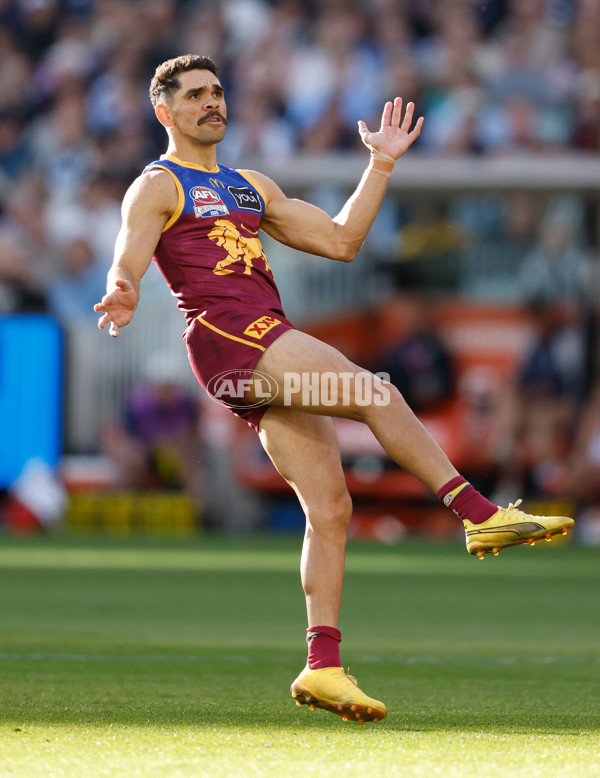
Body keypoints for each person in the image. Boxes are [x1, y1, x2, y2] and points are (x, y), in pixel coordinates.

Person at [94, 54, 574, 725]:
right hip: (234, 336)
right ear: (163, 111)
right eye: (195, 94)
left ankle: (322, 666)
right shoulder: (158, 183)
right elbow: (128, 251)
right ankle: (478, 513)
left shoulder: (250, 186)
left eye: (217, 91)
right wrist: (123, 287)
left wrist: (380, 165)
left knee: (331, 509)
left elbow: (343, 241)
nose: (211, 102)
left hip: (261, 339)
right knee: (378, 394)